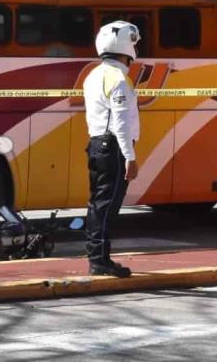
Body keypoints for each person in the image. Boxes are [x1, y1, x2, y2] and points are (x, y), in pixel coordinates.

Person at [83, 20, 141, 278]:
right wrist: (130, 157)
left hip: (96, 144)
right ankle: (100, 261)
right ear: (127, 48)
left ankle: (97, 256)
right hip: (113, 147)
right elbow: (120, 121)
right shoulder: (118, 79)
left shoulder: (93, 75)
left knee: (97, 204)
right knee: (107, 205)